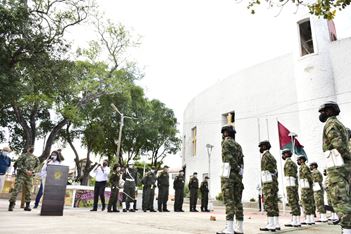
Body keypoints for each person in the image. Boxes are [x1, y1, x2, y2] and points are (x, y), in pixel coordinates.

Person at [319, 101, 351, 234]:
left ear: (330, 111)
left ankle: (347, 230)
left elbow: (337, 144)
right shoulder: (340, 125)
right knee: (344, 197)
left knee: (339, 199)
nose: (321, 114)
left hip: (337, 168)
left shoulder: (331, 123)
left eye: (323, 111)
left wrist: (348, 158)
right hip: (341, 166)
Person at [217, 125, 244, 234]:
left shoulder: (225, 143)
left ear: (225, 133)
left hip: (228, 175)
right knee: (238, 202)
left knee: (229, 201)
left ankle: (229, 229)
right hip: (238, 177)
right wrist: (239, 171)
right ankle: (239, 228)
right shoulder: (239, 146)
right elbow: (242, 162)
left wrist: (235, 167)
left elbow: (228, 157)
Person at [8, 146, 39, 211]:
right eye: (30, 148)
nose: (31, 149)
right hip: (21, 175)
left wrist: (32, 171)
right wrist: (26, 171)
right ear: (27, 149)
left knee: (29, 191)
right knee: (16, 189)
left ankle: (27, 206)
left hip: (29, 176)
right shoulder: (23, 156)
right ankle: (11, 205)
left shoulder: (35, 158)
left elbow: (37, 167)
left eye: (33, 148)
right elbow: (19, 164)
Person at [259, 140, 280, 232]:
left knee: (268, 202)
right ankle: (276, 223)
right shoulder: (272, 157)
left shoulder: (265, 156)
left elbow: (267, 169)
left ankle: (271, 224)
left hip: (268, 181)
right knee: (274, 202)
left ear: (264, 147)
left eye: (261, 146)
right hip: (273, 181)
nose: (260, 148)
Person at [282, 148, 301, 228]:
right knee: (293, 201)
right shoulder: (291, 162)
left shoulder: (289, 163)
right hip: (292, 184)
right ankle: (295, 219)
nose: (282, 155)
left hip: (291, 184)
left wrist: (290, 185)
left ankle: (296, 221)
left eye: (283, 154)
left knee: (293, 201)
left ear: (286, 154)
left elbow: (290, 174)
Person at [297, 155, 315, 225]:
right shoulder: (304, 167)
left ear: (302, 160)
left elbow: (308, 177)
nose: (298, 161)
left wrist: (308, 184)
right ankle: (311, 219)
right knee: (309, 203)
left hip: (305, 187)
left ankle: (308, 219)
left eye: (299, 160)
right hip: (306, 186)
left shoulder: (303, 167)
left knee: (306, 202)